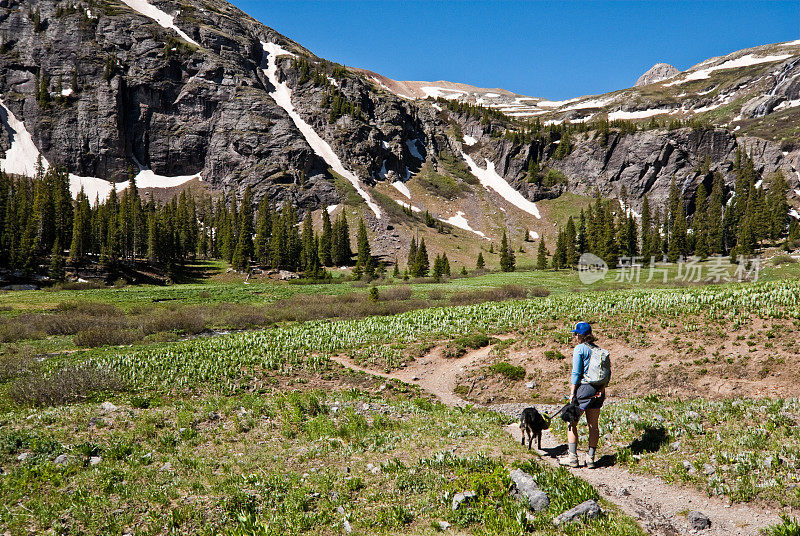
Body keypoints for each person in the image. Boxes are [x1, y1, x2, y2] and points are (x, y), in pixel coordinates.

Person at [562, 321, 605, 469]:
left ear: (579, 336)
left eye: (575, 334)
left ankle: (573, 457)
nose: (575, 337)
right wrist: (602, 389)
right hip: (598, 390)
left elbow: (576, 373)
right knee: (593, 425)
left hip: (583, 390)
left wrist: (572, 393)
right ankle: (591, 458)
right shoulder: (598, 349)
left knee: (571, 422)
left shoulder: (579, 349)